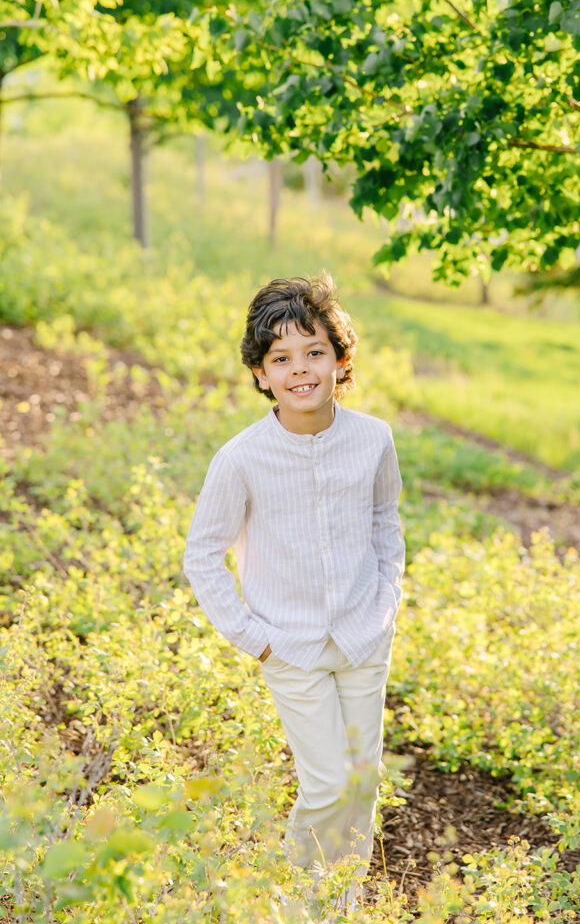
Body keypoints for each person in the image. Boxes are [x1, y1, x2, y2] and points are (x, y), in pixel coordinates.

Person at [183, 274, 405, 910]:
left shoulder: (374, 439)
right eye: (280, 358)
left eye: (314, 352)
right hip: (290, 646)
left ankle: (345, 902)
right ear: (260, 373)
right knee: (329, 782)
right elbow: (202, 556)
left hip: (365, 635)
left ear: (341, 357)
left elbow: (384, 521)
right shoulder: (242, 458)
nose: (300, 370)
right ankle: (301, 901)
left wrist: (387, 602)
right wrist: (257, 642)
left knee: (362, 782)